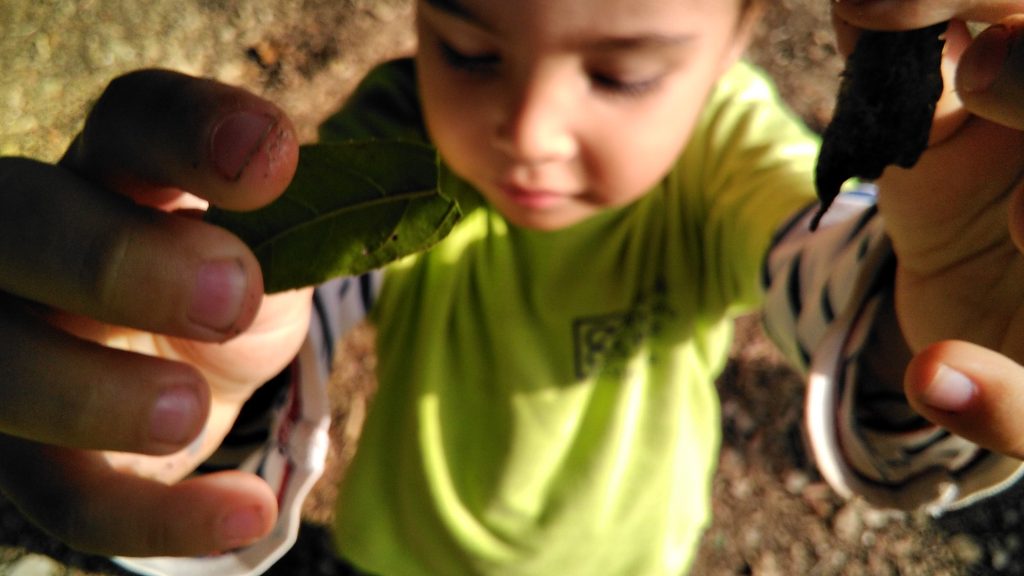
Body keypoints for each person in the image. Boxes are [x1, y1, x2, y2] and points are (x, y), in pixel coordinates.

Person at [2, 0, 1024, 574]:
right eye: (469, 51)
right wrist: (196, 363)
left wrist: (923, 312)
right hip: (403, 554)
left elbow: (822, 267)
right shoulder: (400, 137)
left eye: (622, 73)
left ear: (737, 38)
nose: (528, 133)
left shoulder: (721, 153)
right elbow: (292, 310)